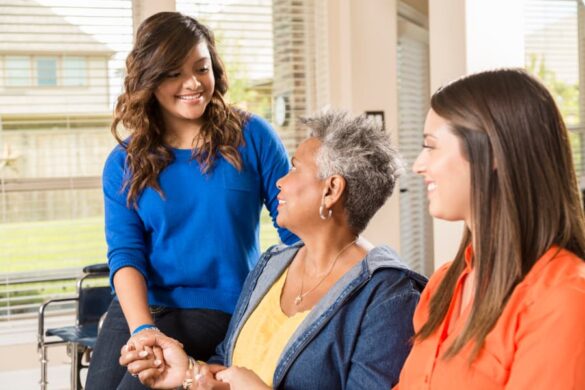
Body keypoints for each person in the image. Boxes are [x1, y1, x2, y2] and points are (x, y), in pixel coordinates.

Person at [119, 109, 427, 389]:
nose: (280, 182)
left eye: (295, 169)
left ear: (331, 190)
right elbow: (226, 362)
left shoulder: (389, 296)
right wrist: (188, 373)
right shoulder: (272, 265)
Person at [85, 12, 297, 389]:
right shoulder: (123, 161)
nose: (192, 83)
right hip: (139, 307)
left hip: (218, 306)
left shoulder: (253, 137)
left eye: (201, 68)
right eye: (173, 73)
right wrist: (144, 330)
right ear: (149, 79)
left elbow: (295, 228)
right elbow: (125, 253)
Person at [395, 69, 585, 389]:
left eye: (431, 146)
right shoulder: (443, 286)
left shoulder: (562, 299)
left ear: (492, 152)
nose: (418, 165)